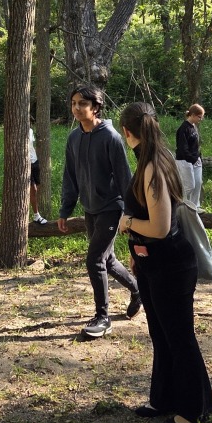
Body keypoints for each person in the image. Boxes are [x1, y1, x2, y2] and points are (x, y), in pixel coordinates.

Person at [118, 101, 212, 423]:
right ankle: (163, 398)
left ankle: (194, 407)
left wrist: (127, 222)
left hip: (171, 265)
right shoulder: (155, 158)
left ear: (127, 132)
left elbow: (160, 227)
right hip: (153, 263)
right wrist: (136, 253)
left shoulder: (154, 166)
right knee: (161, 333)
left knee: (179, 336)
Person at [57, 85, 142, 338]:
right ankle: (137, 289)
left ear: (95, 107)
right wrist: (65, 209)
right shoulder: (73, 138)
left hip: (111, 207)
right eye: (73, 103)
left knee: (94, 260)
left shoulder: (112, 137)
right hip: (90, 208)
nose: (76, 108)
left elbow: (125, 177)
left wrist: (129, 214)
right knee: (108, 260)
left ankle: (103, 317)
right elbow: (70, 177)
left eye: (82, 103)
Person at [175, 104, 206, 210]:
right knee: (189, 186)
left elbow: (195, 145)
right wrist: (192, 159)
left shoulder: (194, 127)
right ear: (192, 115)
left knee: (198, 184)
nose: (201, 119)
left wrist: (198, 158)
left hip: (196, 160)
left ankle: (195, 207)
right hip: (185, 161)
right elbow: (182, 149)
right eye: (199, 117)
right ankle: (182, 206)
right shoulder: (183, 129)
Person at [28, 119, 48, 224]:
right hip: (26, 164)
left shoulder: (30, 131)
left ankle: (35, 214)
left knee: (36, 190)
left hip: (34, 161)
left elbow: (31, 146)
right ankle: (36, 216)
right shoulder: (18, 133)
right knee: (33, 189)